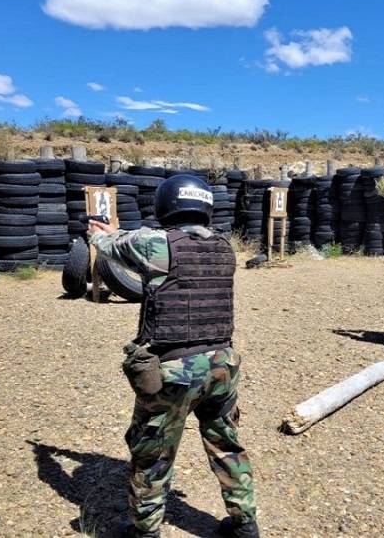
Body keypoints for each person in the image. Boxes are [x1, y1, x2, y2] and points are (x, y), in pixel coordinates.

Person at [88, 174, 259, 538]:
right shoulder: (225, 247)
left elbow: (108, 244)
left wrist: (101, 231)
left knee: (153, 453)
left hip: (175, 369)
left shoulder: (155, 242)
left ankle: (145, 532)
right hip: (222, 364)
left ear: (167, 204)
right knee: (227, 445)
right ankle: (246, 525)